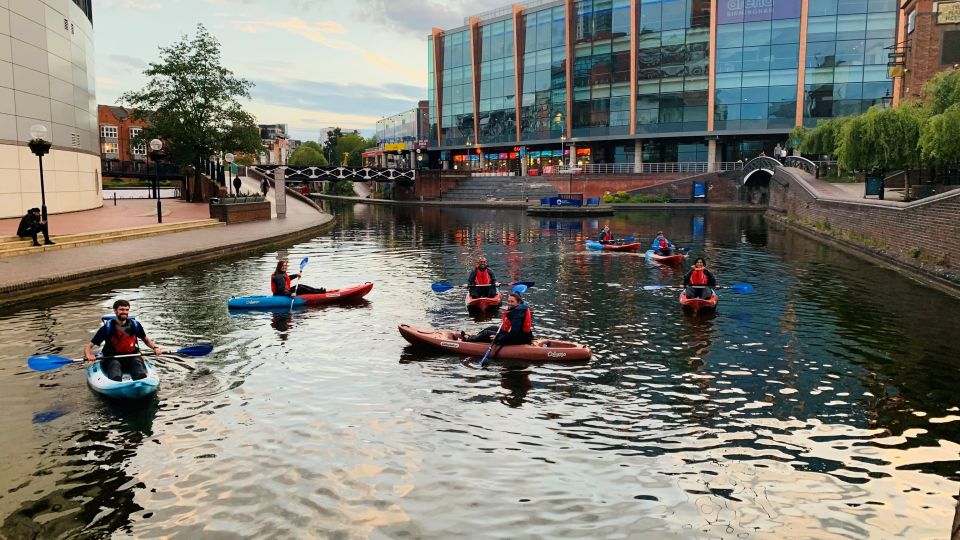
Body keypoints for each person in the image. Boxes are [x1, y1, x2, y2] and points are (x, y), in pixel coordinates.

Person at [84, 299, 162, 381]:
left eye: (126, 310)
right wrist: (89, 355)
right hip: (112, 358)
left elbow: (146, 340)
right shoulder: (107, 328)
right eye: (121, 309)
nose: (124, 312)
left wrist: (155, 348)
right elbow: (89, 346)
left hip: (132, 356)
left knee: (139, 369)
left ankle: (140, 383)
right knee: (115, 368)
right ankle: (116, 382)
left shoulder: (135, 325)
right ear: (115, 311)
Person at [463, 291, 534, 346]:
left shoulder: (518, 313)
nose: (509, 303)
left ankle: (469, 340)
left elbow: (514, 332)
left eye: (512, 302)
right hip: (515, 335)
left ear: (518, 303)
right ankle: (475, 337)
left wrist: (499, 338)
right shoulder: (516, 309)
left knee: (487, 333)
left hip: (519, 338)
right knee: (492, 328)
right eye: (508, 301)